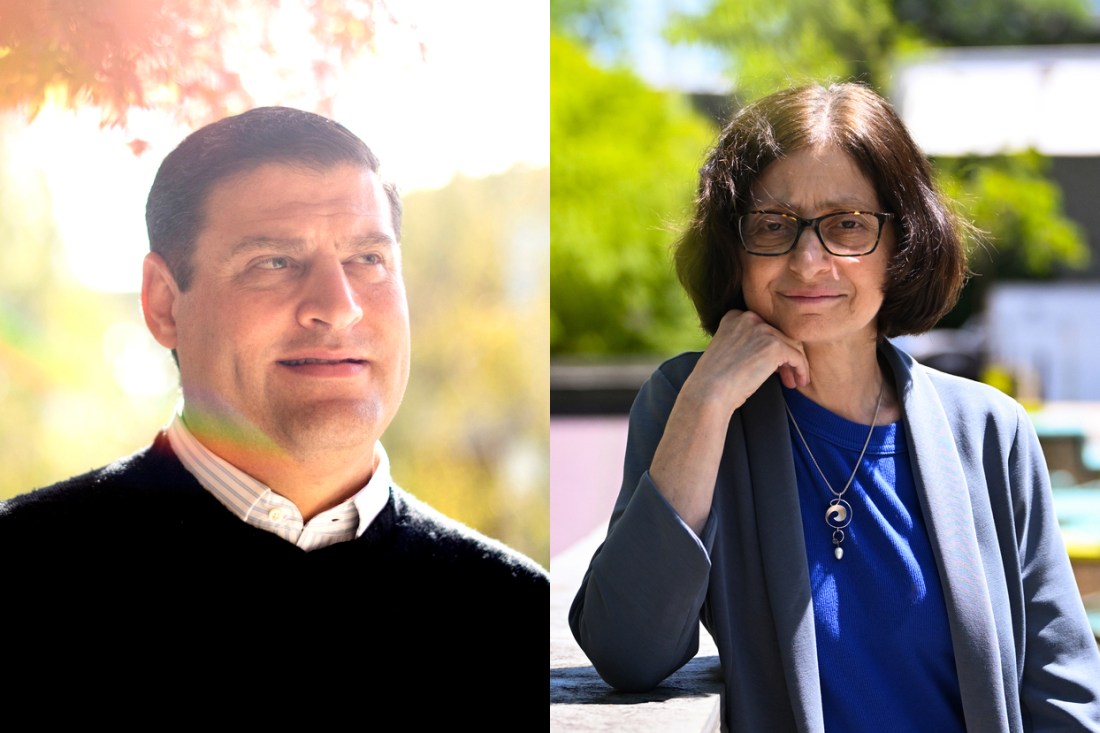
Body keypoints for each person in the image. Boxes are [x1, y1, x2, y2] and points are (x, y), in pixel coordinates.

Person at [569, 83, 1100, 732]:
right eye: (773, 225)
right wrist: (706, 401)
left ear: (901, 242)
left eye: (847, 224)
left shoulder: (993, 432)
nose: (808, 259)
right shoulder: (689, 402)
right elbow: (627, 650)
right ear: (733, 248)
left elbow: (1066, 695)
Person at [1, 106, 547, 721]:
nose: (337, 308)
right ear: (163, 305)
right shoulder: (21, 578)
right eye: (274, 262)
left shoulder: (518, 614)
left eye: (368, 260)